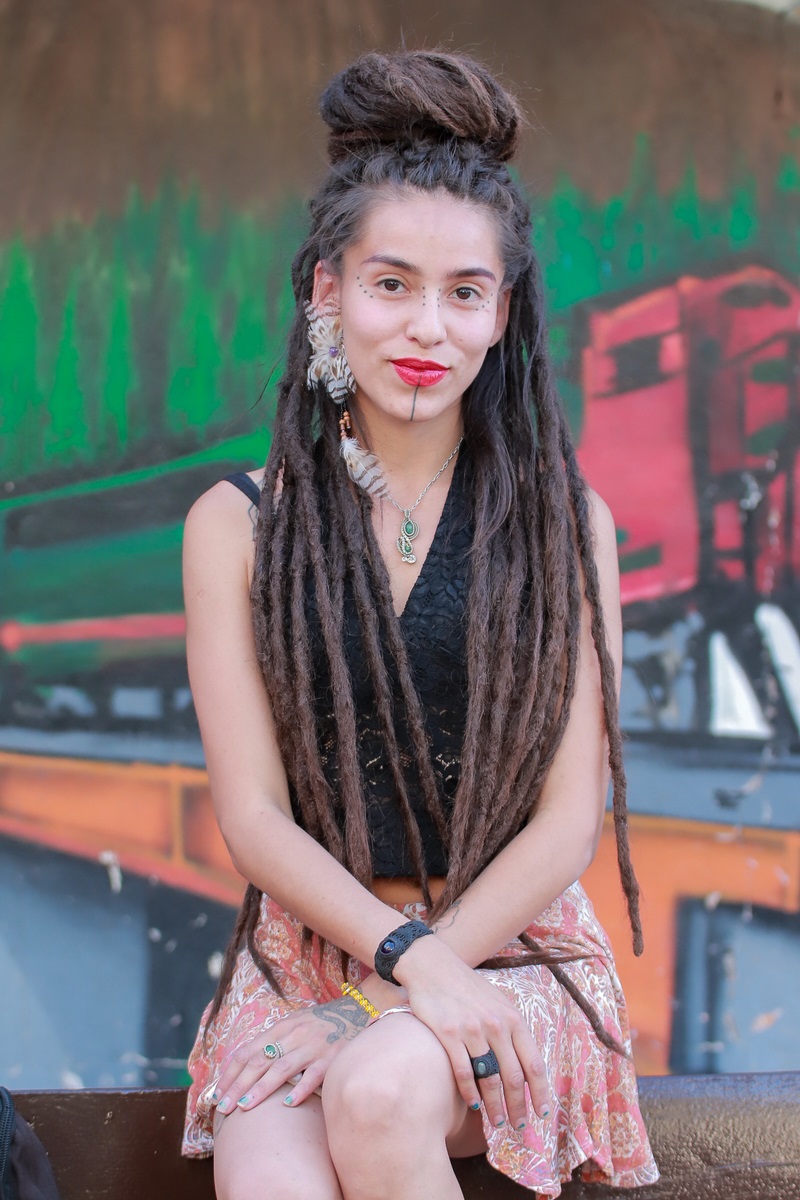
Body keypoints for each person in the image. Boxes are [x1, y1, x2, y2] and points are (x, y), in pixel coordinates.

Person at [180, 49, 659, 1200]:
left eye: (463, 293)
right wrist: (386, 968)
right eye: (390, 284)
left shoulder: (564, 525)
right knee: (271, 1179)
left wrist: (420, 978)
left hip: (514, 949)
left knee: (380, 1089)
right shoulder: (236, 525)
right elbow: (251, 816)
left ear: (501, 315)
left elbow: (565, 823)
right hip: (309, 954)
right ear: (326, 293)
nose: (426, 328)